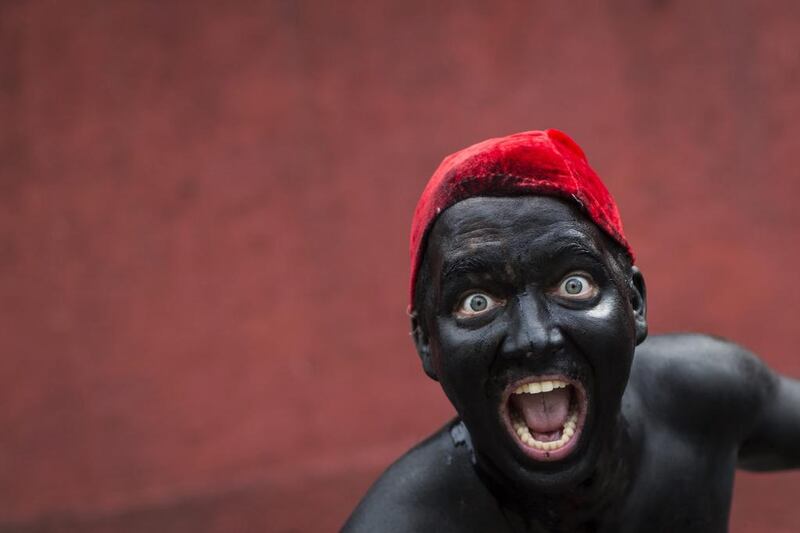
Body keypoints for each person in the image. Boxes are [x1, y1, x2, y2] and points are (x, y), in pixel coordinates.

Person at [342, 130, 800, 533]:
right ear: (427, 343)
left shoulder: (701, 395)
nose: (535, 338)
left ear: (635, 303)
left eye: (573, 285)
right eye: (476, 302)